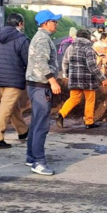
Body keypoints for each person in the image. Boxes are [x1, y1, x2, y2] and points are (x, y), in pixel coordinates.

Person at [0, 13, 30, 148]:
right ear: (19, 24)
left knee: (11, 106)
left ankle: (23, 131)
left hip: (0, 77)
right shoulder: (22, 39)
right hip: (15, 78)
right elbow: (28, 61)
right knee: (5, 109)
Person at [25, 10, 62, 176]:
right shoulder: (42, 39)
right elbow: (41, 61)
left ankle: (31, 157)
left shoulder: (43, 37)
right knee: (41, 125)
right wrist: (52, 81)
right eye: (54, 21)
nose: (56, 24)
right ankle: (39, 162)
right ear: (45, 23)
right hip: (41, 85)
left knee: (36, 123)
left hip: (37, 85)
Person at [57, 29, 107, 129]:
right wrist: (103, 78)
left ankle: (61, 114)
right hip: (87, 80)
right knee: (89, 100)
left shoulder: (70, 47)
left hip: (74, 78)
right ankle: (89, 122)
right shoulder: (89, 49)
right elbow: (92, 66)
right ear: (87, 37)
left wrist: (66, 73)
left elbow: (65, 62)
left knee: (74, 99)